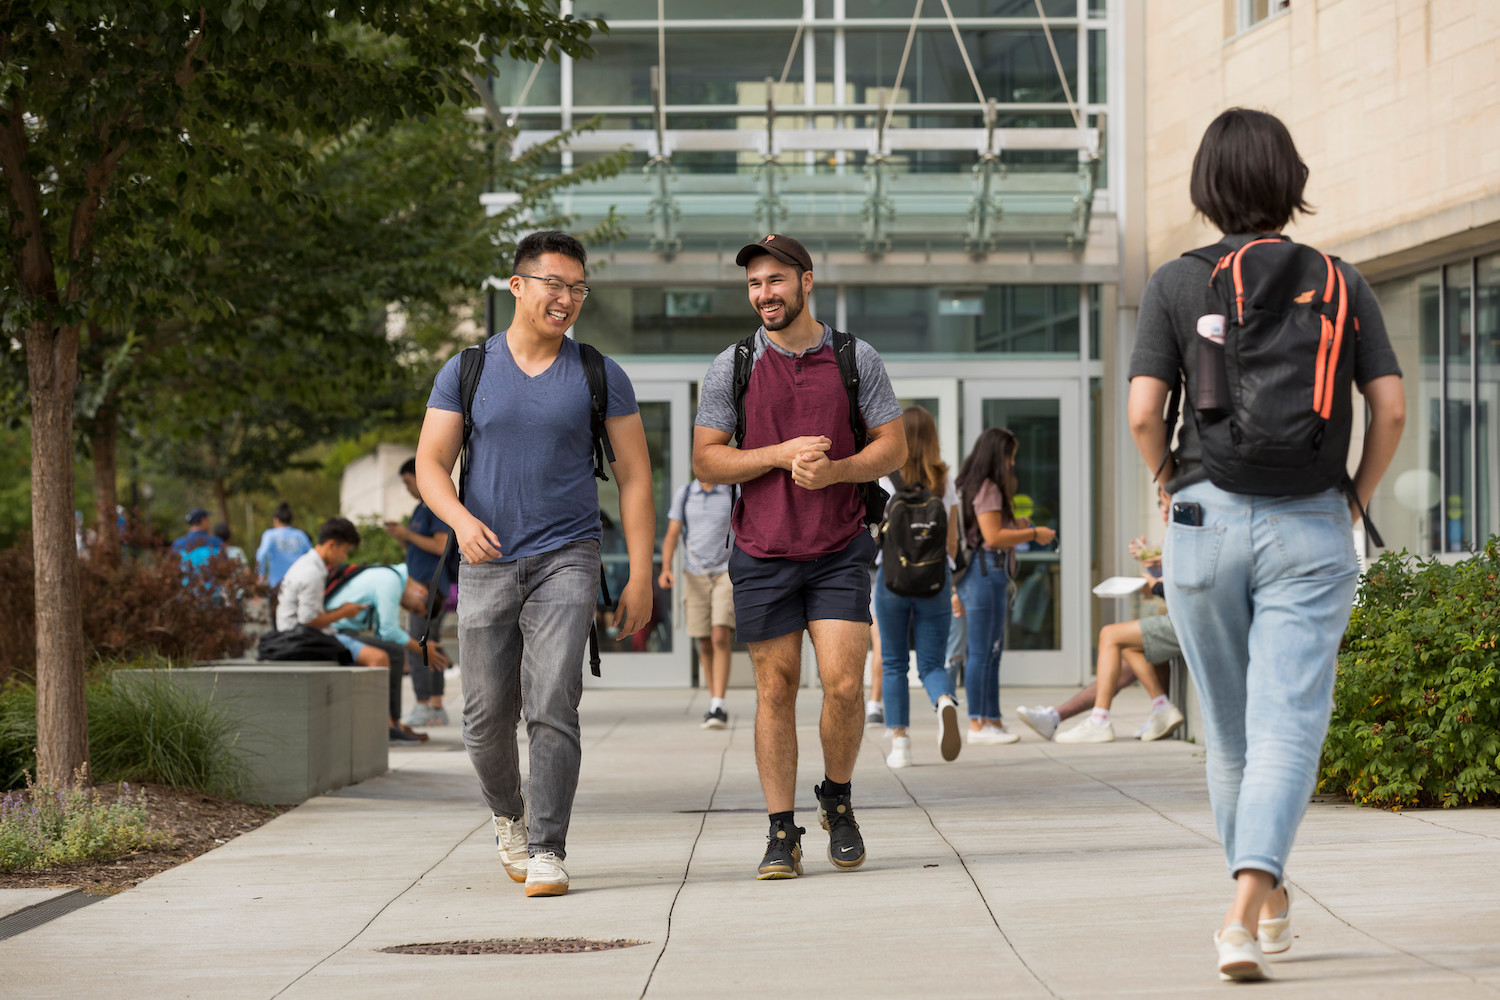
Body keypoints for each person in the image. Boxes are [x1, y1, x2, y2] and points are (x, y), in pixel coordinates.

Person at [1128, 108, 1404, 981]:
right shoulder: (1340, 280)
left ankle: (1251, 907)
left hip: (1204, 522)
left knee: (1234, 734)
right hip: (1311, 522)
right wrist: (1355, 496)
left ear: (1208, 188)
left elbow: (1144, 412)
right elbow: (1390, 408)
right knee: (1289, 724)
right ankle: (1255, 908)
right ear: (1292, 181)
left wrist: (1168, 479)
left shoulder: (1176, 282)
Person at [416, 230, 654, 899]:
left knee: (553, 702)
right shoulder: (466, 369)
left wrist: (638, 572)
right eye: (554, 284)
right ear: (517, 286)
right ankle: (510, 816)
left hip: (568, 557)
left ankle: (548, 848)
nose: (567, 299)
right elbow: (433, 464)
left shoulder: (597, 373)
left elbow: (635, 477)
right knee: (485, 715)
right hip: (485, 559)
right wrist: (461, 521)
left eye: (578, 288)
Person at [693, 233, 905, 880]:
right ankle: (780, 830)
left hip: (839, 547)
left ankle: (836, 799)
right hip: (761, 551)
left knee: (844, 683)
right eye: (754, 284)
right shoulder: (730, 366)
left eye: (775, 282)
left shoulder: (852, 357)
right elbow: (707, 457)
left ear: (806, 281)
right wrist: (778, 455)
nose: (764, 295)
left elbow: (893, 447)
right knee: (774, 689)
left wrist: (839, 470)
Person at [1019, 487, 1185, 743]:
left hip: (1187, 623)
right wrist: (1155, 567)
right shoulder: (1179, 534)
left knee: (1111, 635)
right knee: (1129, 650)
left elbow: (1182, 587)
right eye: (1161, 511)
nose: (1164, 516)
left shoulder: (1186, 530)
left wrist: (1156, 583)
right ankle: (1158, 708)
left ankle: (1100, 719)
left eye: (1165, 508)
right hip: (1181, 620)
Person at [953, 428, 1056, 745]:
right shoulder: (989, 487)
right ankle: (978, 724)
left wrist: (1017, 526)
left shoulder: (979, 486)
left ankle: (992, 719)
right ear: (1000, 455)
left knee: (991, 653)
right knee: (983, 653)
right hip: (985, 573)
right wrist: (1033, 533)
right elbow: (993, 536)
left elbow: (993, 529)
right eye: (1011, 455)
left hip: (987, 574)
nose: (1013, 462)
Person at [874, 405, 963, 768]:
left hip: (892, 582)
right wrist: (948, 575)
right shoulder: (944, 480)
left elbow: (875, 532)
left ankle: (900, 744)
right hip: (935, 582)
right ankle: (943, 700)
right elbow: (953, 542)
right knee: (930, 662)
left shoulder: (884, 479)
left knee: (894, 662)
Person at [326, 562, 451, 744]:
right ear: (421, 592)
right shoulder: (390, 581)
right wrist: (421, 648)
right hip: (334, 632)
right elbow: (388, 630)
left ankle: (394, 724)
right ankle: (392, 726)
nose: (410, 611)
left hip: (342, 631)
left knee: (392, 650)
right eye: (416, 609)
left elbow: (382, 633)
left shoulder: (389, 576)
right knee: (395, 652)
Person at [658, 478, 736, 729]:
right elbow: (672, 534)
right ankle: (714, 700)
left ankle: (718, 704)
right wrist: (666, 569)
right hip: (694, 573)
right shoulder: (686, 493)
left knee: (719, 635)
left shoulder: (733, 490)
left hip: (726, 571)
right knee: (703, 640)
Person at [384, 458, 452, 728]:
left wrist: (408, 536)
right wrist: (402, 536)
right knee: (427, 645)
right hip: (419, 587)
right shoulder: (420, 510)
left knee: (420, 646)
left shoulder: (436, 506)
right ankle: (432, 705)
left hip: (429, 590)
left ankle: (428, 705)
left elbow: (441, 545)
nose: (407, 487)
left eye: (408, 481)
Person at [257, 502, 313, 621]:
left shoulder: (270, 535)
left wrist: (260, 574)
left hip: (277, 586)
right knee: (298, 619)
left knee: (277, 618)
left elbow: (262, 554)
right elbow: (311, 556)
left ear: (276, 520)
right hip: (299, 584)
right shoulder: (300, 535)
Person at [170, 507, 224, 575]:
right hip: (213, 585)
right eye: (208, 520)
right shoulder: (216, 542)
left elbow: (173, 569)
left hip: (186, 585)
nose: (209, 523)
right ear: (203, 520)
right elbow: (225, 568)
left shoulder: (177, 544)